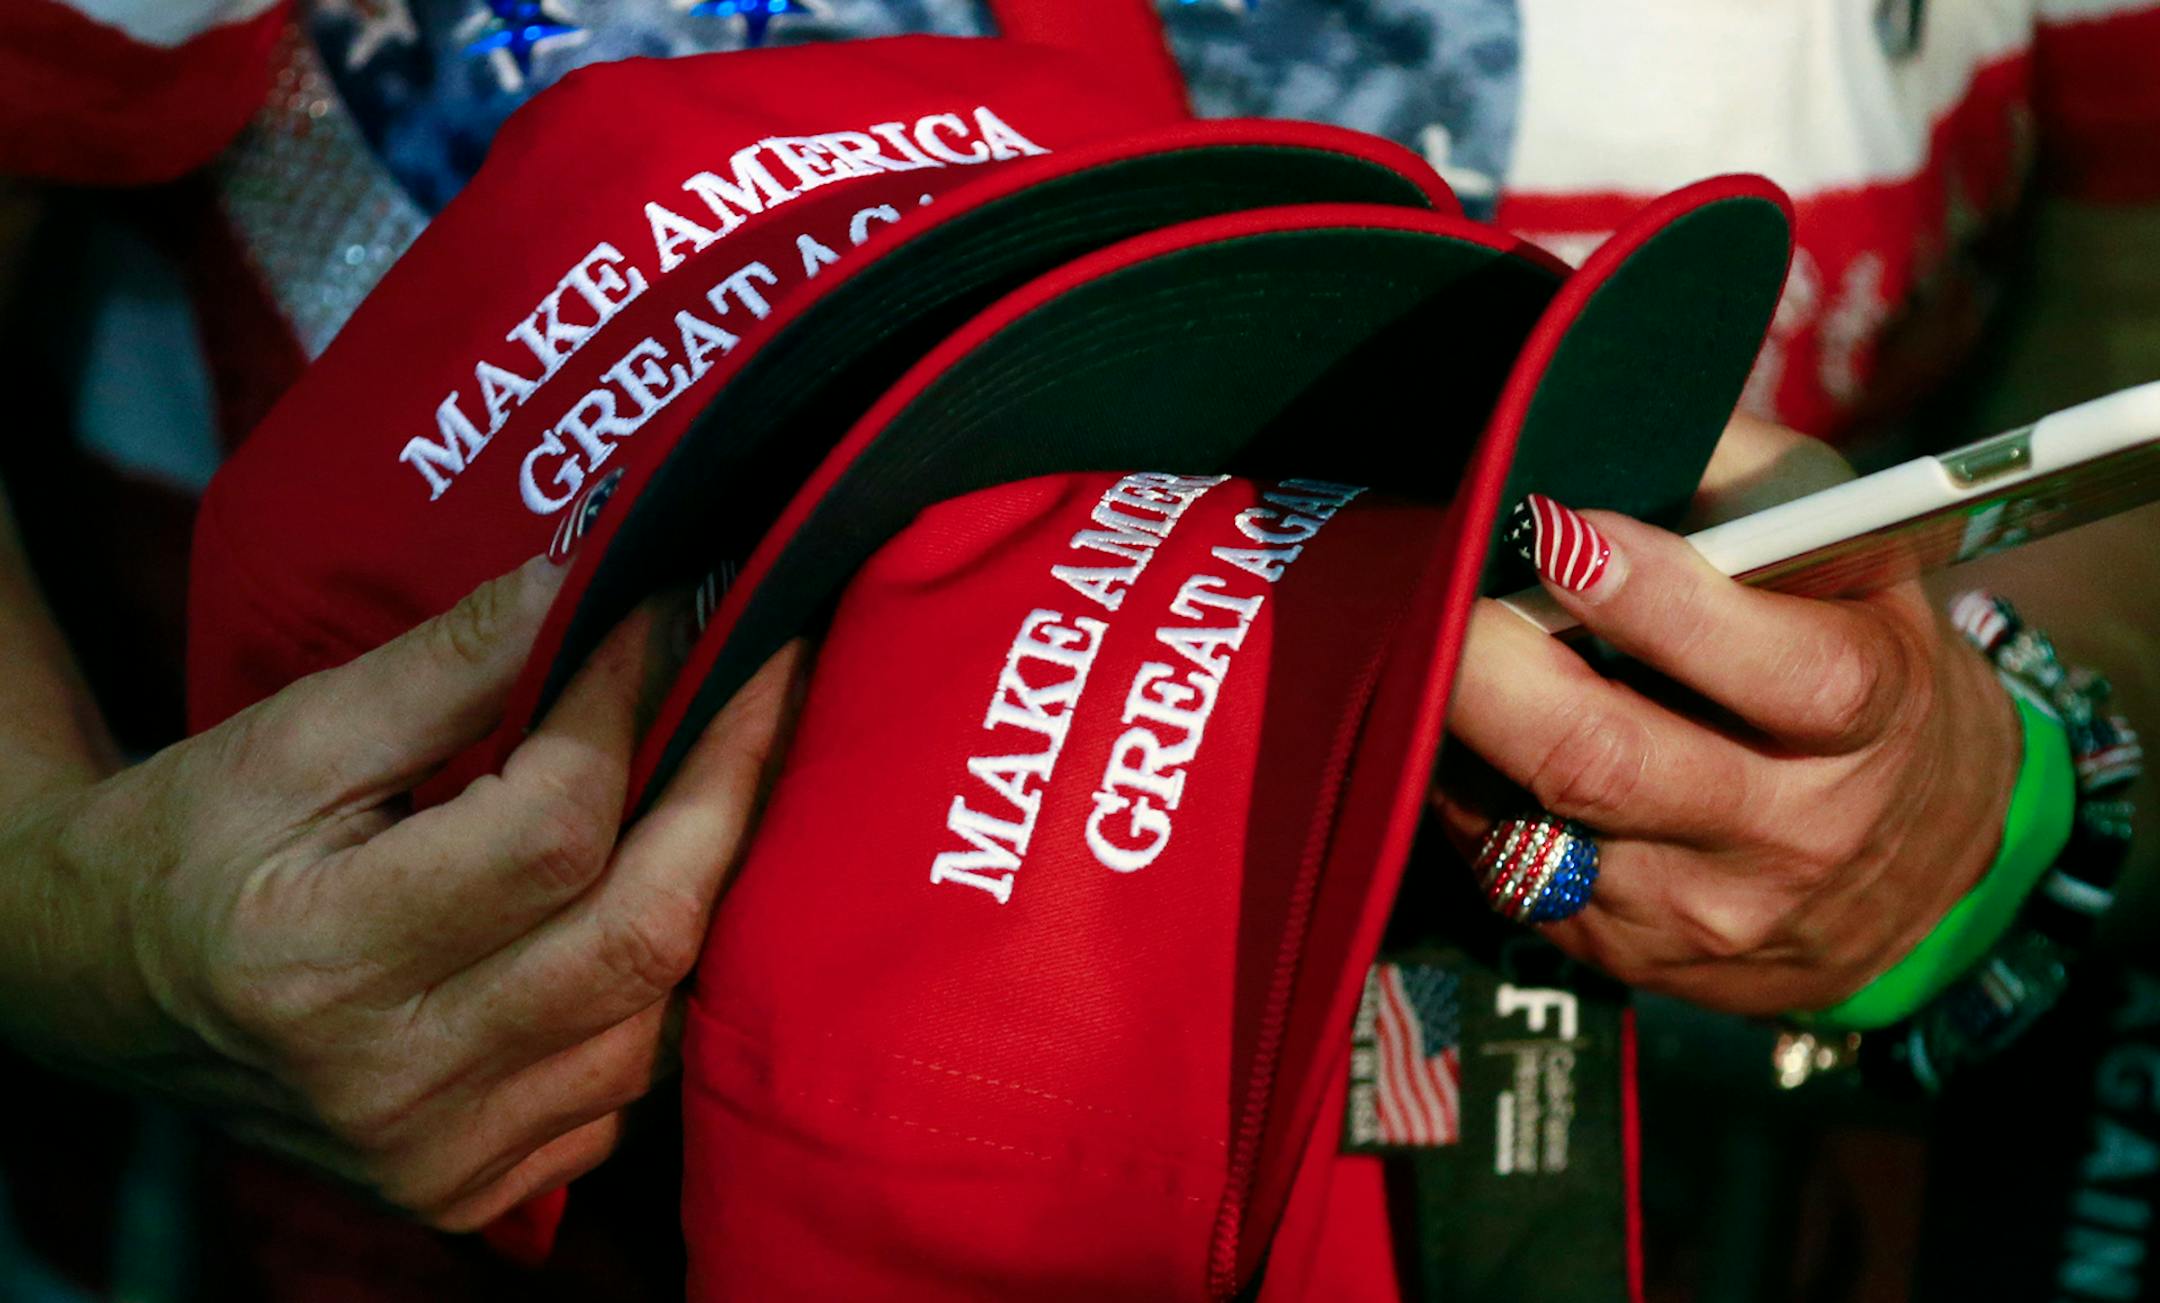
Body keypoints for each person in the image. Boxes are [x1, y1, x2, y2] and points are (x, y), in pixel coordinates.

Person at [0, 0, 2154, 1291]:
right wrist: (65, 909)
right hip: (422, 1219)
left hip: (1731, 1208)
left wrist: (1996, 771)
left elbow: (2124, 287)